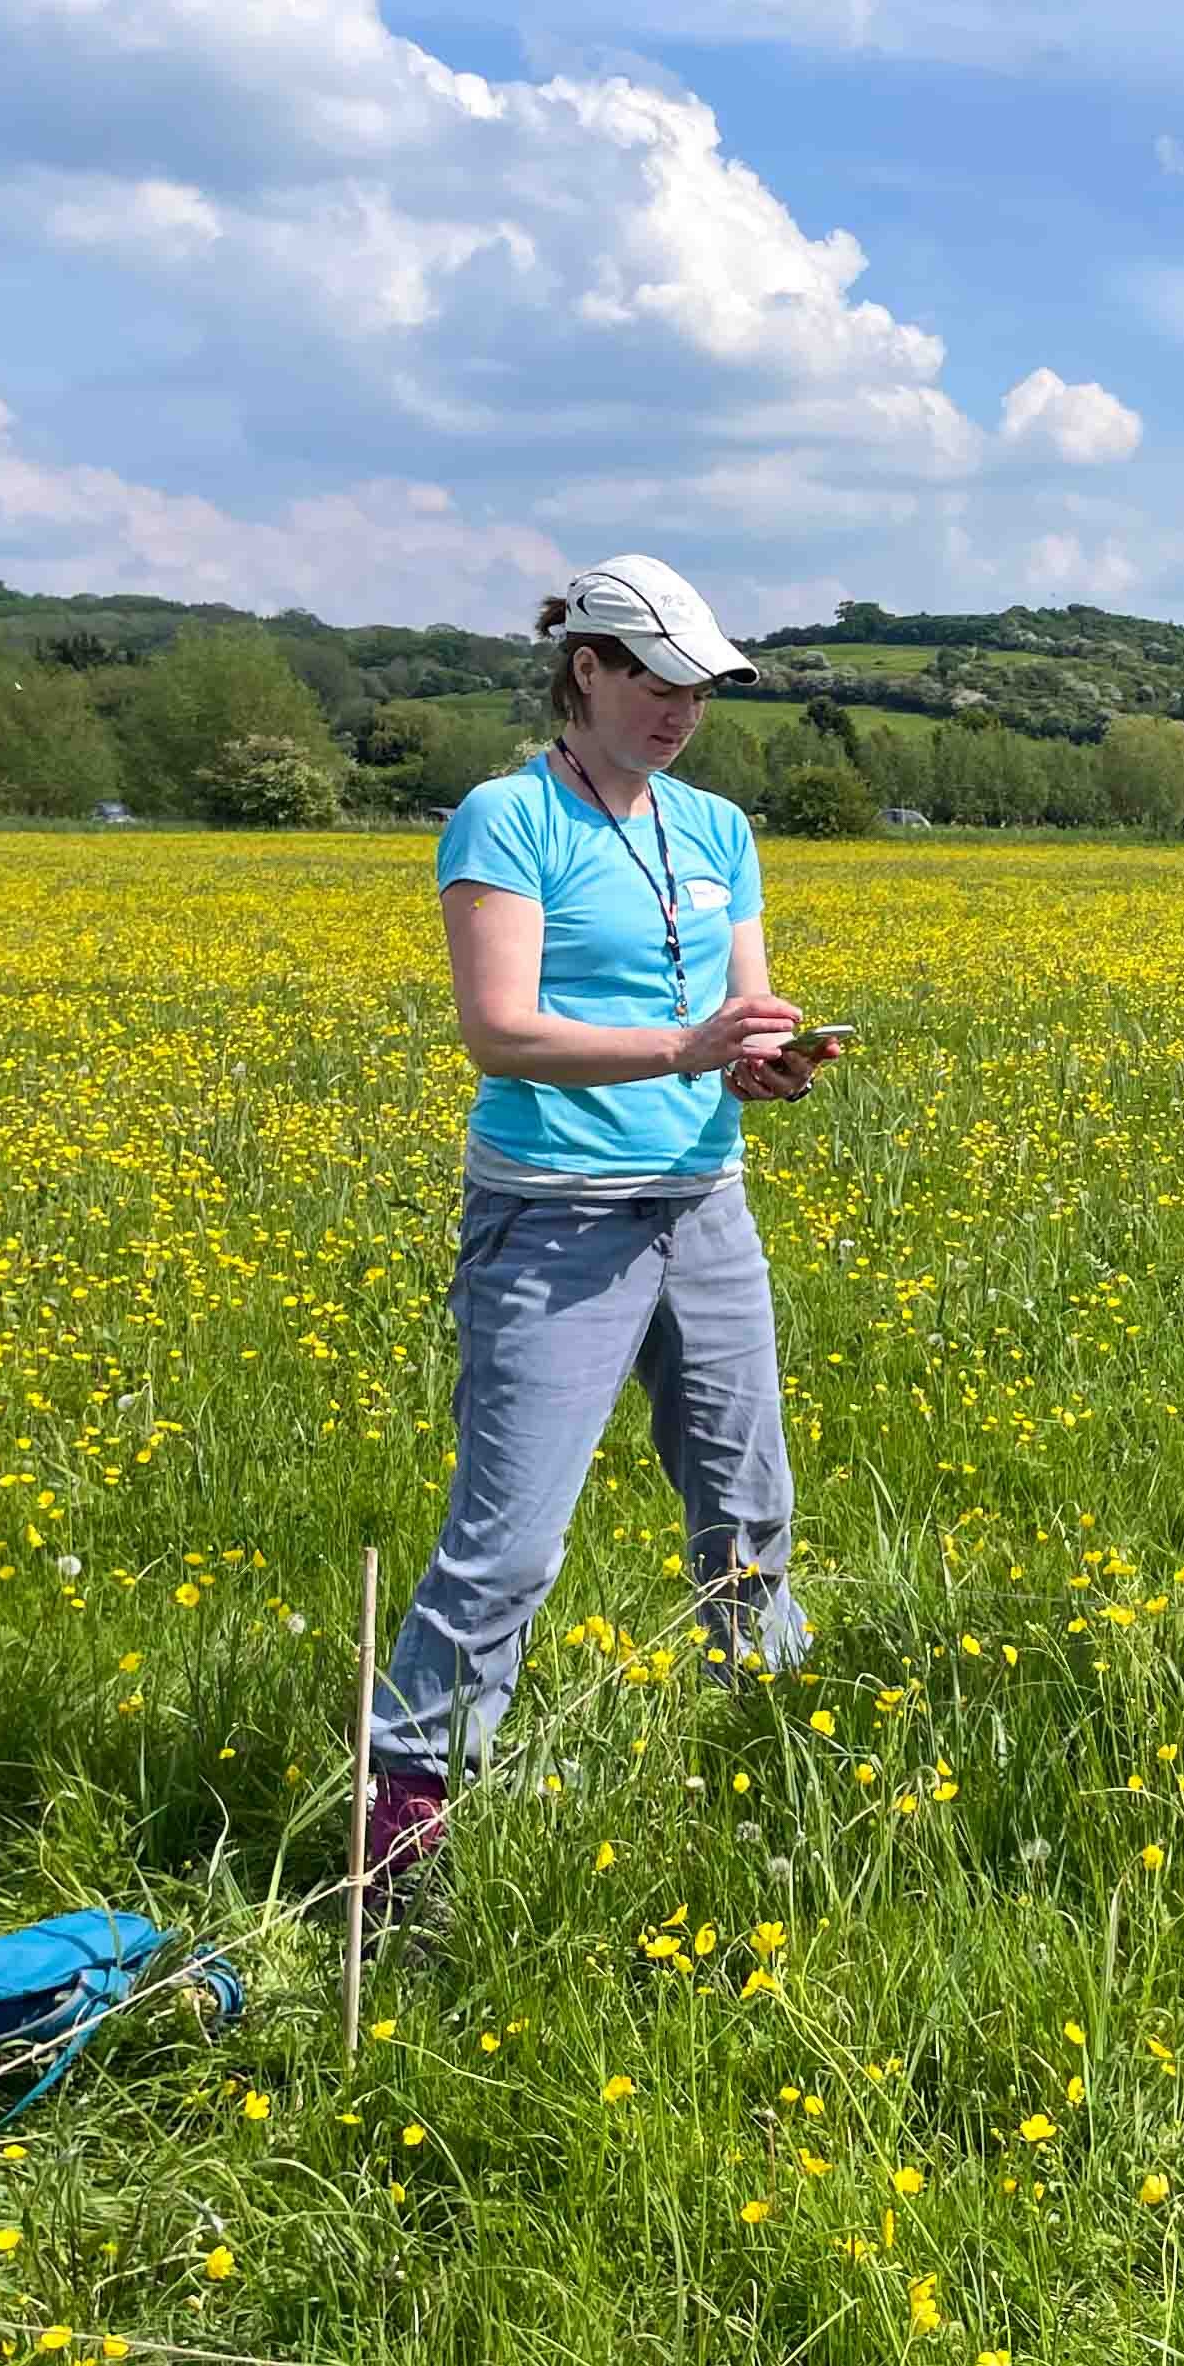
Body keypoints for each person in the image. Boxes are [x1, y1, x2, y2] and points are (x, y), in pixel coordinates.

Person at [363, 554, 837, 1887]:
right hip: (554, 1222)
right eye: (659, 682)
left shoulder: (718, 829)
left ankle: (770, 1761)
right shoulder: (507, 819)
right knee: (508, 1541)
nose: (683, 711)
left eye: (702, 690)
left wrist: (763, 1062)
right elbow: (498, 1031)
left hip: (706, 1206)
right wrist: (685, 1049)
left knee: (748, 1511)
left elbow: (740, 1016)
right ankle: (402, 1831)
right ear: (588, 668)